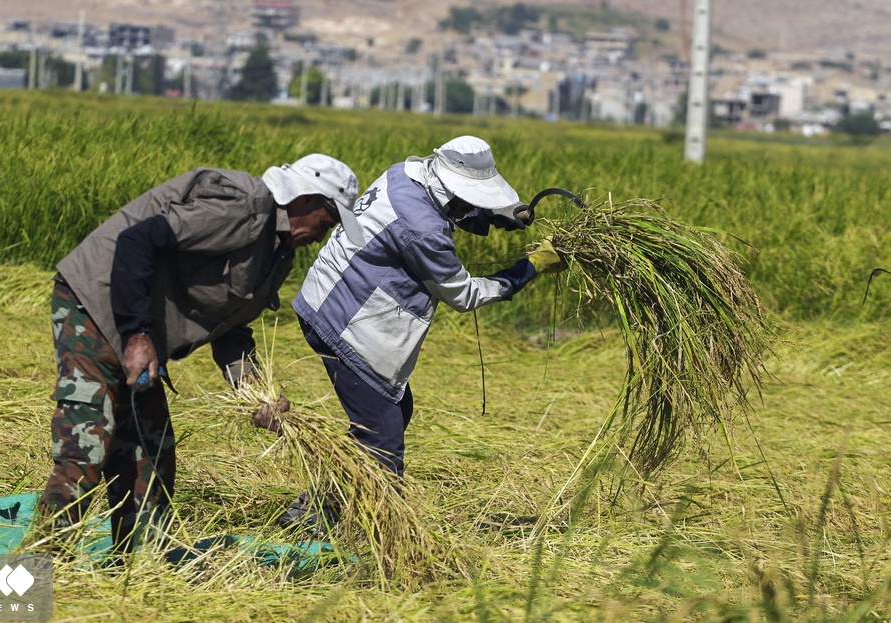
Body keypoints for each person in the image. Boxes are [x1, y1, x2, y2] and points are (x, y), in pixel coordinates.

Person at [40, 154, 362, 553]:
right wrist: (137, 334)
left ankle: (141, 565)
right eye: (326, 224)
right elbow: (137, 240)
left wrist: (255, 390)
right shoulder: (242, 207)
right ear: (308, 200)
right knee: (89, 441)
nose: (322, 237)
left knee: (150, 450)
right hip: (96, 306)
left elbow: (230, 328)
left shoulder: (277, 255)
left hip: (138, 330)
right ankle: (46, 558)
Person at [283, 135, 566, 534]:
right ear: (453, 190)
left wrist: (489, 217)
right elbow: (464, 294)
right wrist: (530, 268)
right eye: (469, 200)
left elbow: (443, 210)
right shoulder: (423, 229)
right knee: (383, 441)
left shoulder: (403, 173)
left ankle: (322, 505)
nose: (469, 208)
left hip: (325, 299)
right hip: (350, 325)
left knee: (393, 414)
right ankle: (382, 539)